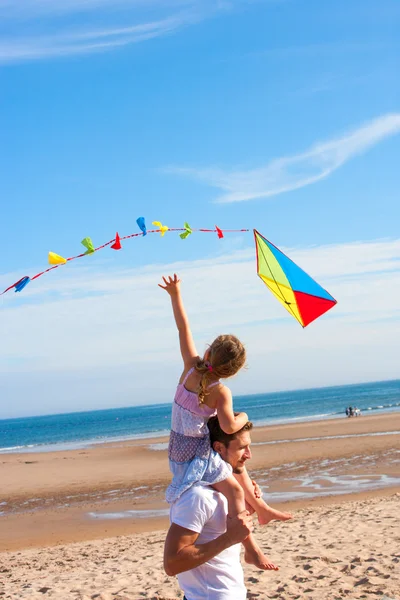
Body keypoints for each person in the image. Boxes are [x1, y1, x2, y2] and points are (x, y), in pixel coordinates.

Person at [159, 274, 291, 573]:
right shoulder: (221, 391)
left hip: (177, 448)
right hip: (196, 452)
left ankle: (263, 511)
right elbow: (231, 426)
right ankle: (250, 547)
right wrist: (245, 417)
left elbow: (184, 327)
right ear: (233, 371)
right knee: (234, 491)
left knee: (236, 469)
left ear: (208, 354)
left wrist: (175, 293)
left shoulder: (190, 368)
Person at [164, 416, 281, 599]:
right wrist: (229, 539)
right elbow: (172, 564)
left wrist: (248, 507)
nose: (249, 454)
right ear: (218, 448)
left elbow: (221, 525)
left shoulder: (224, 493)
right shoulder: (198, 497)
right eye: (242, 447)